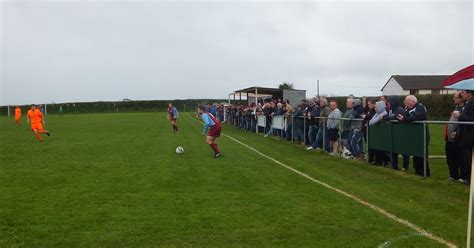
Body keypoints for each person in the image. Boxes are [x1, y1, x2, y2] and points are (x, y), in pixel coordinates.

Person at [397, 95, 430, 177]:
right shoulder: (408, 108)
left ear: (412, 101)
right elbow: (405, 116)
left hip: (421, 133)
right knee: (415, 153)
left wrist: (404, 119)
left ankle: (425, 172)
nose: (406, 105)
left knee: (421, 153)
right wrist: (404, 118)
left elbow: (416, 117)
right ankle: (417, 171)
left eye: (407, 103)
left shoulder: (420, 107)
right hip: (413, 134)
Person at [454, 90, 474, 184]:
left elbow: (471, 118)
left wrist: (460, 116)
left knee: (469, 158)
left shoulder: (472, 103)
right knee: (466, 159)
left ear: (470, 93)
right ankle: (468, 178)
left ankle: (470, 179)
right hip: (465, 135)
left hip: (469, 136)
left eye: (464, 93)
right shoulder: (468, 103)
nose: (462, 95)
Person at [445, 92, 465, 181]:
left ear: (462, 98)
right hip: (450, 138)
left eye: (456, 97)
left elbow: (464, 123)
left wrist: (456, 132)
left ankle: (463, 176)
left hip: (459, 137)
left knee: (461, 157)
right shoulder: (456, 107)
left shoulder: (466, 108)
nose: (454, 99)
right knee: (450, 157)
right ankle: (453, 175)